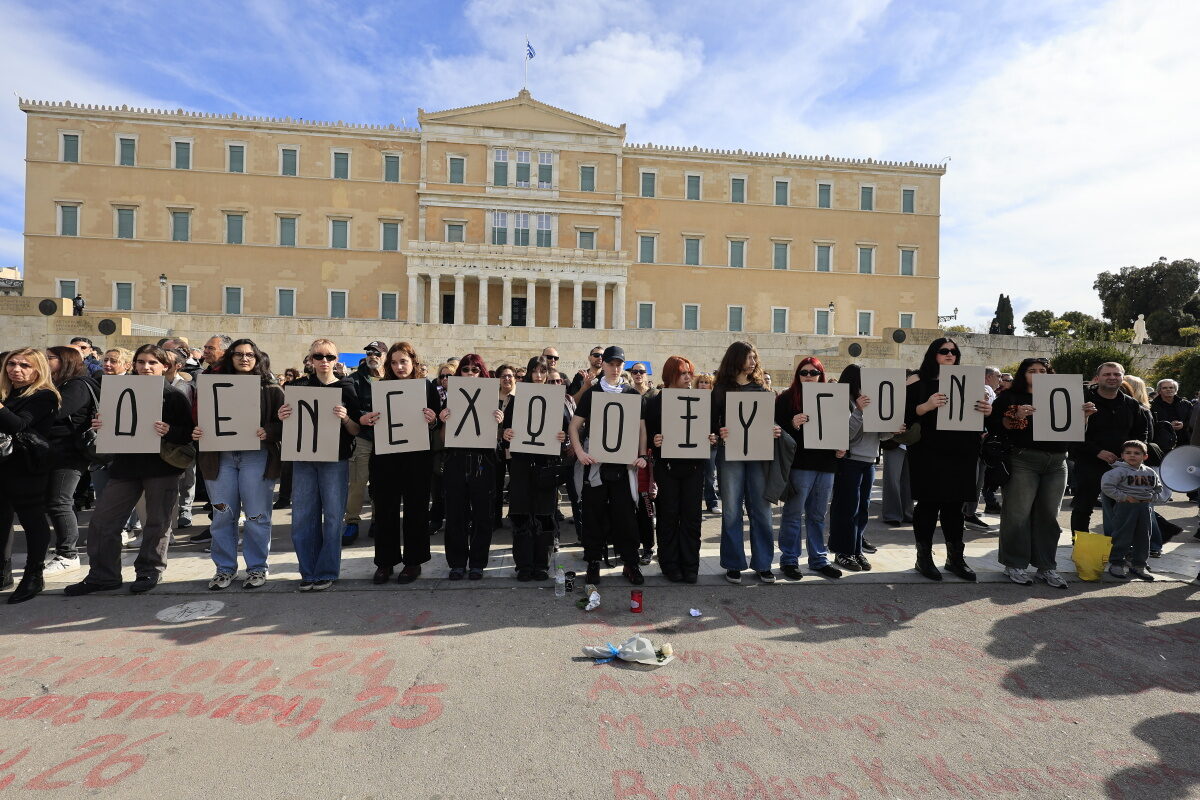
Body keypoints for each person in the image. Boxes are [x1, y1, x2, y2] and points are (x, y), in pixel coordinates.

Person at [65, 344, 194, 596]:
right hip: (125, 467)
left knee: (157, 523)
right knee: (103, 521)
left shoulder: (173, 396)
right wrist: (102, 425)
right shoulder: (117, 391)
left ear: (164, 367)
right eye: (141, 362)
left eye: (152, 363)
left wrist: (170, 431)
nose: (146, 367)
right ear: (133, 365)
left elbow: (189, 433)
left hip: (161, 468)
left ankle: (149, 570)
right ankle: (103, 575)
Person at [989, 357, 1096, 588]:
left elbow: (1075, 431)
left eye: (1043, 370)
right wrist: (1015, 417)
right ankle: (1014, 564)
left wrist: (1084, 417)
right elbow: (995, 426)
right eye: (1032, 370)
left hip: (1058, 462)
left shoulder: (1064, 395)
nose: (1038, 374)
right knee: (1018, 514)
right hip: (1023, 459)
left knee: (1049, 517)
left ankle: (1046, 566)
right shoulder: (1010, 397)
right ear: (1022, 374)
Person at [192, 339, 284, 590]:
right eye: (239, 354)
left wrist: (270, 431)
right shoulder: (210, 385)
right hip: (219, 457)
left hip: (256, 456)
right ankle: (224, 569)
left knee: (256, 515)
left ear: (257, 358)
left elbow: (286, 423)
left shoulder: (271, 388)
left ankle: (256, 568)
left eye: (250, 355)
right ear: (230, 357)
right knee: (223, 515)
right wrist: (197, 431)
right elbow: (198, 418)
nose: (245, 359)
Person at [276, 338, 361, 591]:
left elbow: (356, 430)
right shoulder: (298, 387)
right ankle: (308, 571)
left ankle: (327, 571)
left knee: (333, 517)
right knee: (303, 517)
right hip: (304, 460)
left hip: (335, 460)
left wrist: (345, 418)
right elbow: (290, 427)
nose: (324, 361)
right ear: (310, 360)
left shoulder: (348, 387)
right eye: (318, 356)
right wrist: (282, 417)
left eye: (330, 357)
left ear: (337, 361)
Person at [905, 338, 992, 582]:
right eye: (944, 351)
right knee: (928, 505)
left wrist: (987, 410)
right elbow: (902, 413)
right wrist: (926, 406)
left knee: (955, 506)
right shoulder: (918, 381)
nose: (949, 355)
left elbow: (982, 417)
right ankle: (924, 558)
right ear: (933, 354)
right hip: (928, 450)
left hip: (962, 450)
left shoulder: (970, 381)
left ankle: (955, 558)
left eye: (954, 352)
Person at [359, 342, 440, 584]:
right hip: (386, 458)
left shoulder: (426, 387)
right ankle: (385, 562)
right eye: (393, 362)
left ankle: (413, 562)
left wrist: (432, 419)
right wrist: (368, 419)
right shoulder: (381, 388)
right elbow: (369, 417)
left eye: (403, 361)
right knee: (385, 511)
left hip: (416, 458)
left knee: (416, 510)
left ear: (412, 362)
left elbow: (436, 421)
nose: (399, 367)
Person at [569, 345, 648, 585]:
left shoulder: (632, 395)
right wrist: (581, 452)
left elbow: (641, 429)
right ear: (603, 364)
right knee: (593, 517)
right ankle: (593, 562)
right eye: (611, 363)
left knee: (626, 518)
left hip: (623, 468)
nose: (615, 368)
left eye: (619, 364)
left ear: (623, 366)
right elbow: (573, 426)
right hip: (597, 467)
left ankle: (630, 563)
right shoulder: (592, 394)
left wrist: (642, 455)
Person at [712, 341, 782, 584]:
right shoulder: (721, 390)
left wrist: (774, 430)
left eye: (754, 357)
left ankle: (763, 564)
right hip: (730, 454)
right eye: (748, 357)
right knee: (731, 509)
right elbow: (712, 423)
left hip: (758, 456)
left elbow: (770, 423)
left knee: (761, 509)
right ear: (736, 360)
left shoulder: (762, 390)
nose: (753, 362)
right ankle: (733, 564)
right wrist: (718, 431)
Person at [642, 355, 711, 583]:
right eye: (683, 373)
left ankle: (690, 565)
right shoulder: (655, 401)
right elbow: (647, 434)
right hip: (667, 467)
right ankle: (670, 565)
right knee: (668, 516)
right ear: (671, 375)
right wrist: (655, 440)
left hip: (693, 466)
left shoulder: (701, 400)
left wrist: (711, 438)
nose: (689, 377)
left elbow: (709, 430)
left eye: (690, 372)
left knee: (692, 517)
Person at [0, 348, 61, 603]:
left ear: (38, 370)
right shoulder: (7, 393)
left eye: (25, 365)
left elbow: (19, 425)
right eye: (11, 364)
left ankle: (33, 575)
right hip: (2, 466)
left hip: (26, 467)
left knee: (32, 521)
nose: (16, 369)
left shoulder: (44, 396)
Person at [828, 364, 901, 572]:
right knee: (846, 508)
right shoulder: (844, 402)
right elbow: (845, 435)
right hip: (850, 460)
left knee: (862, 509)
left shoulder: (871, 401)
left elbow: (881, 436)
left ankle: (856, 548)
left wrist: (893, 430)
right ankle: (843, 551)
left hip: (869, 461)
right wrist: (859, 412)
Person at [502, 356, 569, 581]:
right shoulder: (517, 399)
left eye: (543, 371)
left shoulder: (557, 400)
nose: (539, 375)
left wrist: (563, 436)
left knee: (544, 517)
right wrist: (506, 434)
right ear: (529, 373)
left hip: (545, 466)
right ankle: (523, 564)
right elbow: (507, 430)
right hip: (521, 465)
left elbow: (566, 431)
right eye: (535, 371)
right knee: (521, 515)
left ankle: (541, 564)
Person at [775, 358, 843, 580]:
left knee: (817, 515)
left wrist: (843, 447)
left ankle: (818, 559)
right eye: (804, 372)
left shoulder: (833, 397)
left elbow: (841, 426)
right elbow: (776, 430)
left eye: (814, 372)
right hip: (800, 465)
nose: (809, 376)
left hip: (826, 465)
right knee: (794, 513)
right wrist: (792, 425)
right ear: (798, 375)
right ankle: (789, 560)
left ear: (821, 375)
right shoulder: (786, 399)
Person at [440, 354, 503, 580]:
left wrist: (498, 422)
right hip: (455, 460)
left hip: (482, 462)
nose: (469, 373)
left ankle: (477, 562)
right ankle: (457, 562)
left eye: (475, 370)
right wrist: (444, 420)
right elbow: (444, 438)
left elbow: (494, 439)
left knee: (481, 516)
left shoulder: (491, 399)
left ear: (482, 373)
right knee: (455, 514)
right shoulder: (450, 398)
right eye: (465, 370)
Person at [1069, 362, 1145, 535]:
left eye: (1116, 374)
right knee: (1083, 506)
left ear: (1122, 378)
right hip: (1090, 463)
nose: (1112, 378)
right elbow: (1073, 436)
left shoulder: (1131, 404)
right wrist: (1097, 452)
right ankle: (1080, 546)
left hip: (1123, 465)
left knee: (1124, 507)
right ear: (1098, 378)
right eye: (1107, 374)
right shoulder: (1082, 402)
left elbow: (1141, 432)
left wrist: (1132, 454)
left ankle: (1120, 546)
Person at [41, 346, 98, 575]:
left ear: (65, 361)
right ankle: (64, 548)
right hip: (58, 452)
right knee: (58, 501)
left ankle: (68, 554)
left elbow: (55, 413)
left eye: (50, 358)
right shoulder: (61, 384)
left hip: (69, 453)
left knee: (59, 501)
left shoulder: (77, 385)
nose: (44, 361)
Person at [344, 340, 387, 545]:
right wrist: (361, 416)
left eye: (377, 353)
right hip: (362, 436)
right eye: (369, 352)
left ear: (385, 356)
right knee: (357, 482)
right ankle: (352, 521)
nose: (373, 356)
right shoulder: (354, 379)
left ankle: (377, 520)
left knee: (381, 482)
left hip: (387, 438)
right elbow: (350, 407)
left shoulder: (392, 379)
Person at [1100, 440, 1161, 581]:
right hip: (1125, 507)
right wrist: (1124, 497)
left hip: (1144, 507)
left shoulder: (1150, 472)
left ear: (1145, 456)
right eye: (1128, 453)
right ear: (1122, 455)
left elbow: (1158, 488)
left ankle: (1139, 565)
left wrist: (1152, 498)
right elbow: (1107, 486)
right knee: (1122, 534)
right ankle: (1117, 562)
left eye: (1137, 453)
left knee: (1144, 536)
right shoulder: (1118, 471)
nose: (1132, 456)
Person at [963, 366, 1002, 529]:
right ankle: (966, 513)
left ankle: (969, 513)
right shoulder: (986, 389)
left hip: (980, 443)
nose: (1000, 380)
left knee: (978, 480)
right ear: (988, 377)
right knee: (973, 480)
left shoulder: (987, 390)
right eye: (998, 376)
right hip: (976, 442)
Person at [427, 362, 455, 535]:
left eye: (449, 376)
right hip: (438, 445)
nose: (445, 379)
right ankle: (436, 519)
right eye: (442, 376)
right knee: (437, 486)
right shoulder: (434, 394)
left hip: (458, 446)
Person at [493, 364, 517, 529]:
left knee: (516, 483)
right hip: (494, 447)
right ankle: (495, 518)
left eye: (510, 375)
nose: (507, 379)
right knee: (495, 484)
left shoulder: (521, 397)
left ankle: (515, 516)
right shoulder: (490, 397)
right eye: (503, 376)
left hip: (514, 448)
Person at [695, 372, 720, 514]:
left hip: (710, 443)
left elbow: (718, 422)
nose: (703, 385)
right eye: (701, 382)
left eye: (706, 382)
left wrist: (715, 435)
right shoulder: (692, 399)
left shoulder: (715, 402)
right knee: (696, 476)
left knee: (710, 475)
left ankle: (712, 502)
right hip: (694, 444)